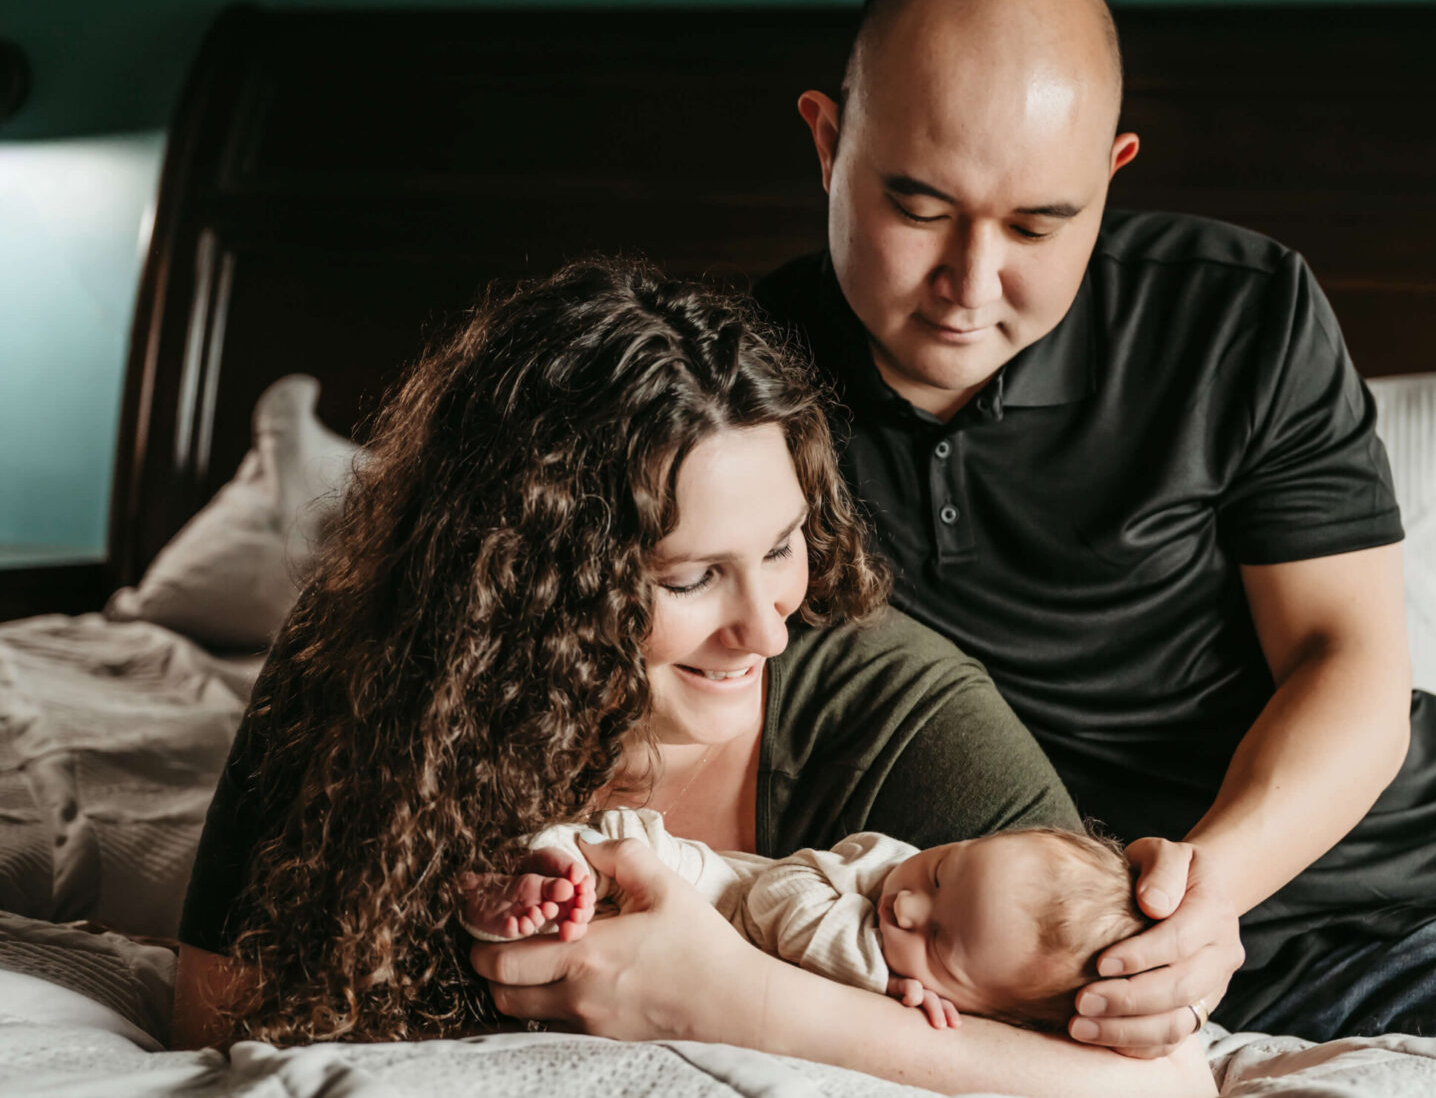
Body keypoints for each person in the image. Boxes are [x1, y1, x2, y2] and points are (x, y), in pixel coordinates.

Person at [481, 0, 1436, 1097]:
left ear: (1111, 178)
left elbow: (1351, 660)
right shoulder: (735, 410)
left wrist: (1207, 886)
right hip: (1300, 965)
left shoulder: (1238, 312)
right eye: (918, 205)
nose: (970, 281)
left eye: (1037, 224)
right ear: (827, 138)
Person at [170, 261, 1213, 1097]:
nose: (767, 626)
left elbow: (1169, 1082)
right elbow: (216, 1011)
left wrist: (736, 1001)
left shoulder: (893, 708)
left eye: (783, 544)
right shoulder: (374, 662)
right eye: (690, 576)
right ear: (525, 587)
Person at [461, 811, 1147, 1031]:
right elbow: (776, 896)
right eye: (941, 871)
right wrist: (882, 975)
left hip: (672, 945)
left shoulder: (932, 1015)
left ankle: (535, 901)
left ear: (983, 1012)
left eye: (938, 942)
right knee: (609, 847)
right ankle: (528, 873)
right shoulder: (889, 870)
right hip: (706, 885)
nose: (907, 903)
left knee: (570, 929)